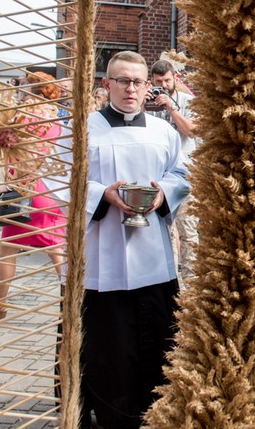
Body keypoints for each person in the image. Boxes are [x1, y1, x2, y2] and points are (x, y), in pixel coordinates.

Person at [80, 50, 189, 428]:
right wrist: (101, 194)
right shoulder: (85, 129)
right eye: (122, 80)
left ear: (148, 86)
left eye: (138, 81)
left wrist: (163, 195)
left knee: (156, 346)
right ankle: (110, 416)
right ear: (106, 84)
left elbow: (181, 174)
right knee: (109, 351)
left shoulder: (164, 132)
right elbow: (64, 180)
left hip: (154, 262)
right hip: (102, 263)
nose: (130, 88)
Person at [0, 72, 67, 319]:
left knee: (8, 248)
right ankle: (74, 299)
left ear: (33, 89)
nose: (20, 88)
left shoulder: (23, 115)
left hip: (25, 187)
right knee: (54, 245)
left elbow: (4, 142)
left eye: (24, 84)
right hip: (49, 187)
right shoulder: (56, 118)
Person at [146, 58, 198, 282]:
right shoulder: (145, 102)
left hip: (185, 173)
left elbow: (192, 131)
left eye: (167, 80)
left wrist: (171, 107)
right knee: (162, 231)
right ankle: (169, 281)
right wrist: (142, 104)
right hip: (156, 175)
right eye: (158, 82)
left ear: (175, 79)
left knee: (188, 230)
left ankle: (191, 282)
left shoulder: (187, 101)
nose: (163, 86)